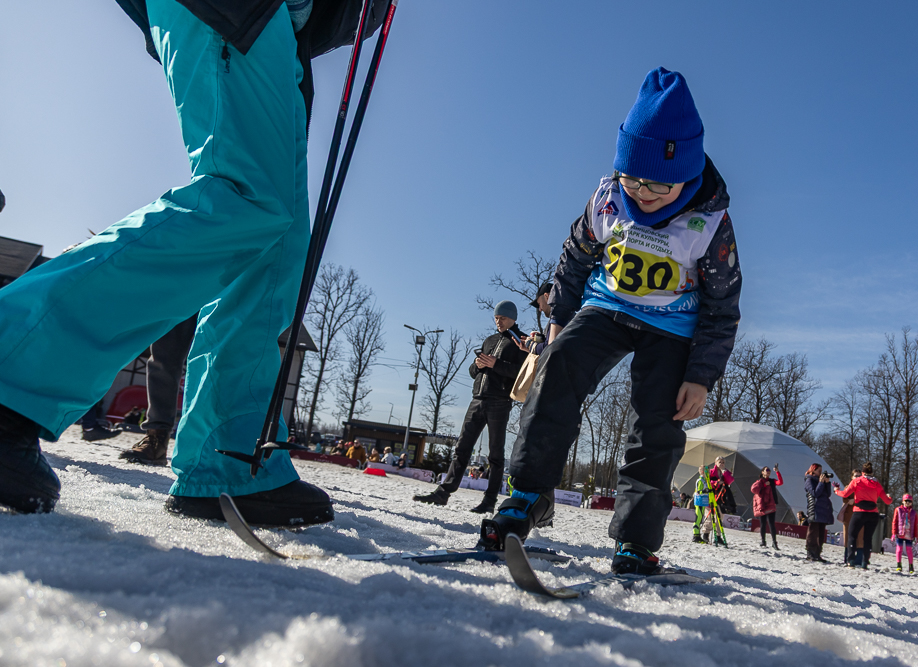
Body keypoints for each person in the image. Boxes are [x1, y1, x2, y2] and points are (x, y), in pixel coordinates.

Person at [0, 0, 389, 522]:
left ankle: (229, 456)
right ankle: (11, 377)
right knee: (248, 197)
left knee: (273, 242)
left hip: (274, 30)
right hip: (242, 10)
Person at [477, 68, 742, 577]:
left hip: (673, 326)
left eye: (658, 184)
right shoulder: (607, 199)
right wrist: (558, 321)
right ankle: (527, 495)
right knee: (556, 372)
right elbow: (574, 260)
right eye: (633, 178)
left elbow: (723, 304)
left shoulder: (709, 222)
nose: (642, 192)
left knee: (657, 422)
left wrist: (700, 375)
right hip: (607, 307)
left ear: (685, 172)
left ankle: (636, 541)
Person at [414, 301, 527, 514]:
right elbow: (473, 371)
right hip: (477, 398)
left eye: (502, 318)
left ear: (512, 318)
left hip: (500, 401)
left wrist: (497, 365)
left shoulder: (519, 341)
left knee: (495, 454)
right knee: (462, 448)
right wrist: (478, 365)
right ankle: (443, 493)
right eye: (496, 318)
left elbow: (521, 373)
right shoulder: (490, 340)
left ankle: (489, 500)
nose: (498, 321)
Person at [120, 315, 199, 465]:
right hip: (185, 294)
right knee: (164, 355)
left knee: (216, 359)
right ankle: (157, 438)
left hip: (224, 295)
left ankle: (212, 442)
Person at [836, 462, 892, 570]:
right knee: (868, 538)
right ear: (872, 472)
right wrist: (890, 497)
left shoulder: (857, 481)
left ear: (862, 473)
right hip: (873, 514)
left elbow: (845, 494)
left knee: (852, 535)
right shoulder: (877, 484)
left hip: (859, 512)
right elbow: (887, 501)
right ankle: (864, 563)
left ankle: (851, 561)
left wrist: (836, 491)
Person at [804, 464, 835, 562]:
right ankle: (811, 553)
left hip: (824, 509)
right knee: (813, 532)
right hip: (815, 509)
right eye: (819, 471)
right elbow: (815, 493)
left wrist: (827, 483)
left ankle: (817, 553)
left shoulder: (820, 481)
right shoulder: (809, 480)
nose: (821, 473)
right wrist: (821, 483)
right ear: (813, 471)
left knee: (821, 533)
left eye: (821, 471)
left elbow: (828, 494)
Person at [750, 464, 783, 549]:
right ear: (762, 472)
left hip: (771, 505)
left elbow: (780, 482)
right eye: (766, 470)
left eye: (769, 471)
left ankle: (774, 542)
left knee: (772, 524)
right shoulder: (760, 481)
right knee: (763, 524)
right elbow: (753, 489)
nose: (768, 472)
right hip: (762, 505)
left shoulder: (772, 481)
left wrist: (777, 472)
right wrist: (764, 485)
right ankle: (763, 541)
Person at [839, 469, 862, 564]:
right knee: (848, 539)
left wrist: (854, 501)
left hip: (860, 517)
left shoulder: (863, 488)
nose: (857, 478)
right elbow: (844, 498)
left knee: (860, 539)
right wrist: (850, 500)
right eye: (855, 476)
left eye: (859, 476)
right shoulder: (848, 487)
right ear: (852, 477)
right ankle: (847, 559)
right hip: (849, 516)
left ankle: (858, 560)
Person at [892, 493, 918, 574]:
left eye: (909, 501)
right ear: (903, 501)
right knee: (899, 549)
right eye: (906, 501)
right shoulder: (898, 510)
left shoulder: (914, 512)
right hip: (900, 533)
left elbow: (916, 525)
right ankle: (898, 565)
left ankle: (911, 566)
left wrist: (916, 536)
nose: (907, 503)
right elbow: (894, 522)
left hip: (909, 534)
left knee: (909, 550)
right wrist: (893, 533)